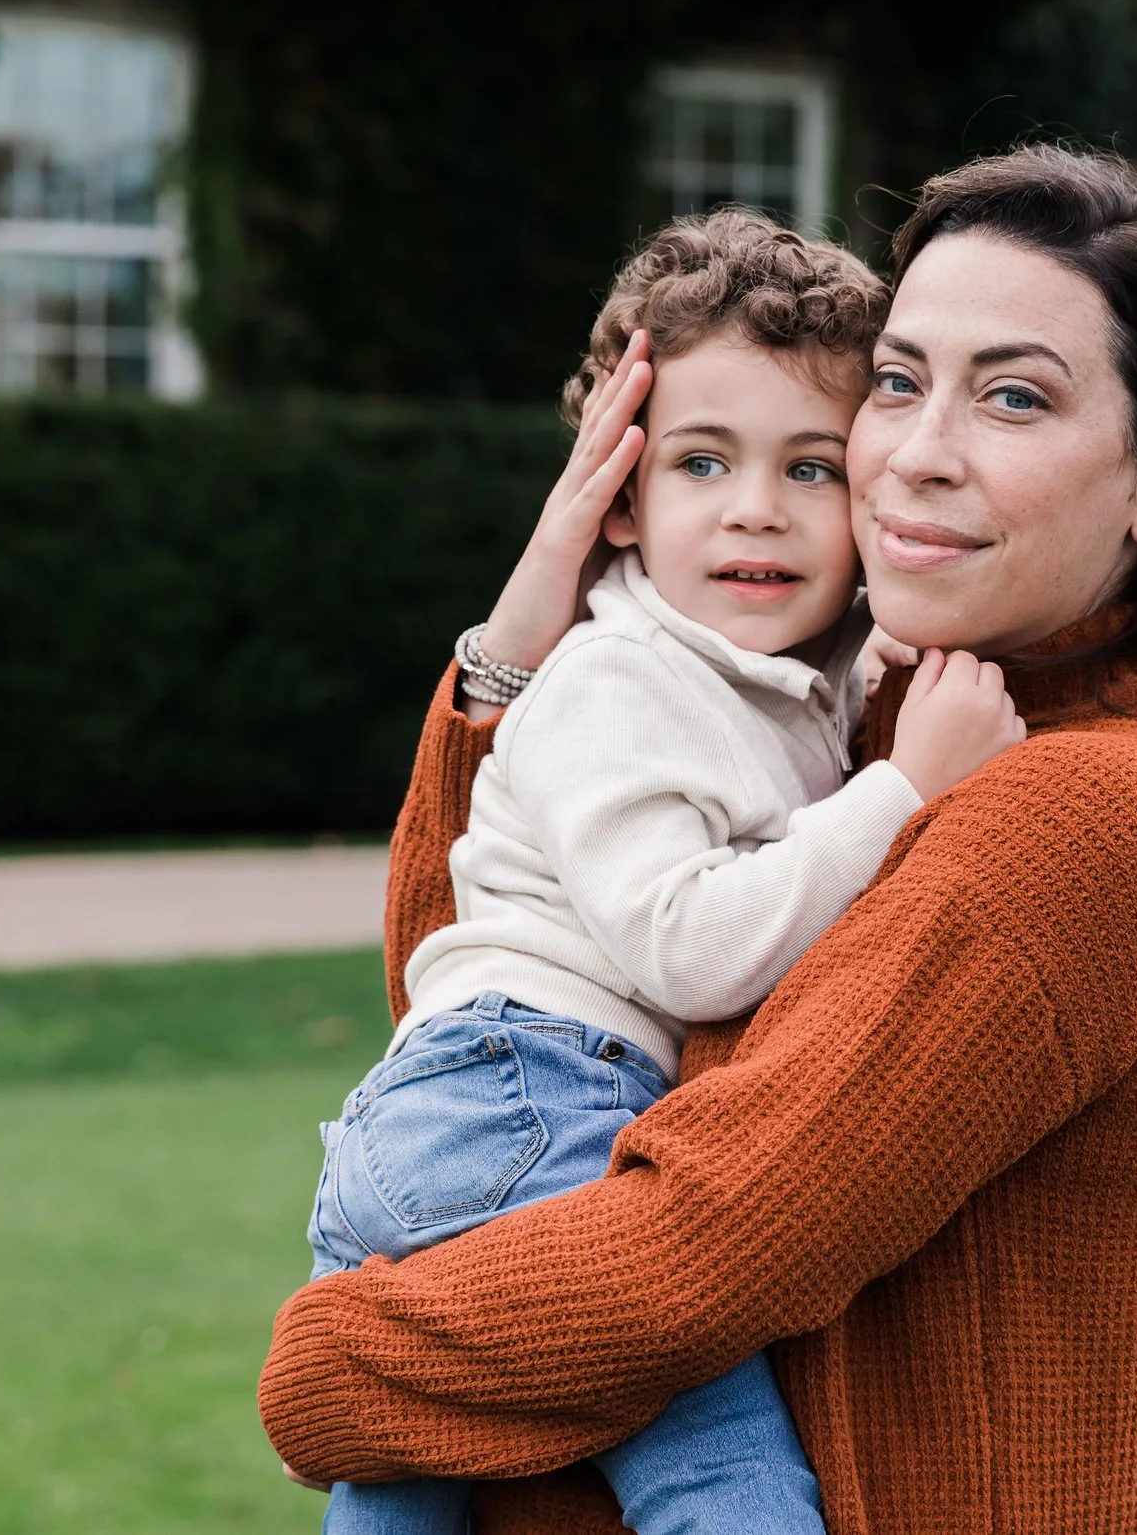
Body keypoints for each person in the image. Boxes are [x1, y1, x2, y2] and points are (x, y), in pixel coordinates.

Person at [260, 145, 1137, 1532]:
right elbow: (472, 994)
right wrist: (515, 655)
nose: (917, 449)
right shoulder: (887, 716)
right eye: (900, 382)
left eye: (1015, 397)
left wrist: (330, 1367)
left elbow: (702, 1251)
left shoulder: (1076, 815)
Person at [297, 211, 1025, 1535]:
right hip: (531, 1099)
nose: (758, 505)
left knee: (401, 1495)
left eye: (812, 469)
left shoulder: (767, 670)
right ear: (620, 498)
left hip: (454, 1117)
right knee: (726, 1487)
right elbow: (686, 949)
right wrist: (907, 787)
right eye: (704, 460)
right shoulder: (616, 682)